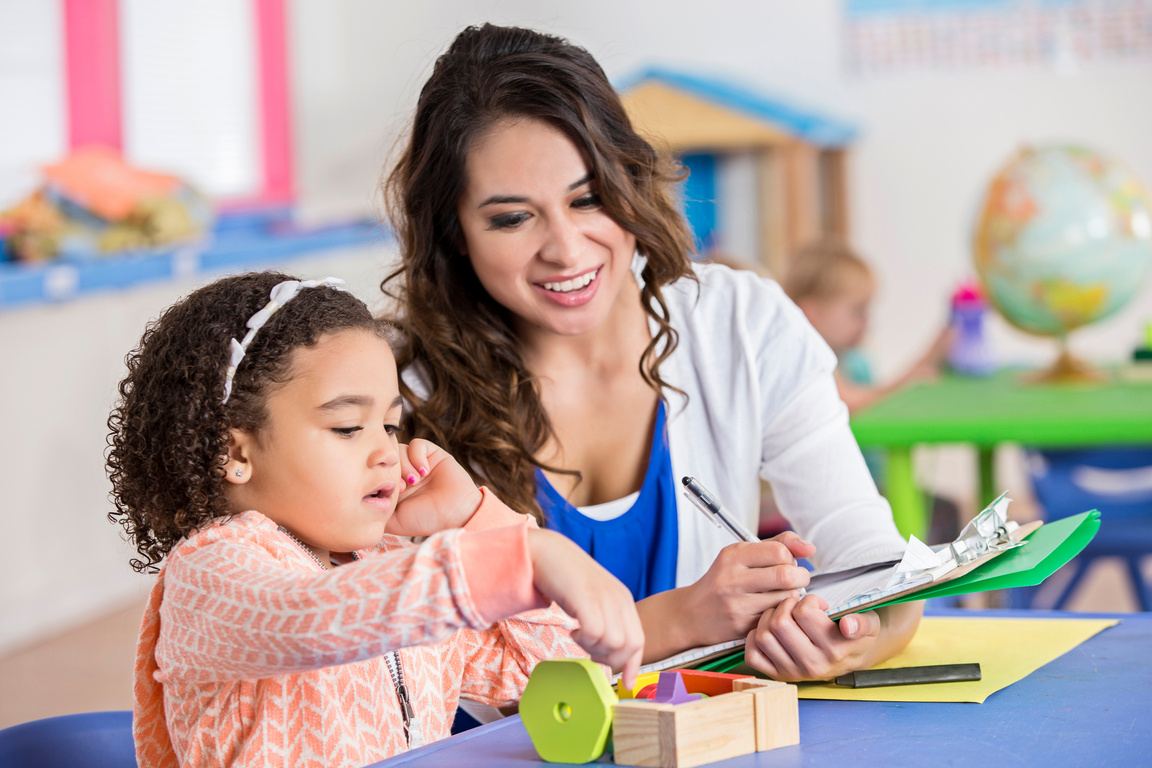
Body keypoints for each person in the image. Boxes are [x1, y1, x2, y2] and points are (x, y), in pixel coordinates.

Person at [381, 23, 921, 683]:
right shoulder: (401, 400)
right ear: (454, 232)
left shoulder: (740, 325)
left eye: (588, 199)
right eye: (513, 218)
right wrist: (680, 620)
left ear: (627, 183)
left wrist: (856, 638)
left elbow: (875, 563)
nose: (566, 249)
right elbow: (434, 672)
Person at [105, 271, 644, 768]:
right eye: (347, 427)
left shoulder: (394, 571)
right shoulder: (211, 573)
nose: (389, 451)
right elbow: (310, 619)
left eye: (390, 425)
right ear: (235, 454)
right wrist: (520, 560)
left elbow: (552, 668)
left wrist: (476, 516)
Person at [783, 238, 953, 416]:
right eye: (857, 311)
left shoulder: (855, 363)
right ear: (812, 313)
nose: (866, 321)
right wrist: (907, 381)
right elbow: (850, 404)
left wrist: (932, 354)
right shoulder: (809, 364)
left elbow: (875, 396)